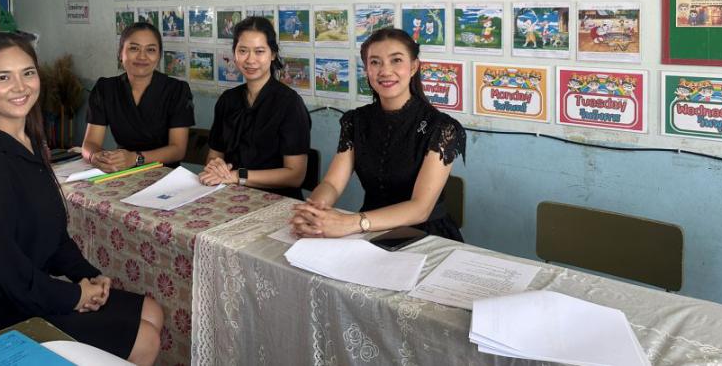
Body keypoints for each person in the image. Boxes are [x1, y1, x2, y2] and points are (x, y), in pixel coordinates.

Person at [0, 33, 162, 364]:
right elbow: (2, 271)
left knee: (152, 311)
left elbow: (51, 236)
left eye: (27, 73)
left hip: (26, 294)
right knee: (144, 339)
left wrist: (86, 275)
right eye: (3, 77)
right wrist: (73, 296)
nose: (20, 87)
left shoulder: (28, 141)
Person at [290, 28, 466, 240]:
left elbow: (420, 208)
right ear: (366, 69)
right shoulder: (356, 121)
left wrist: (351, 223)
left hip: (426, 235)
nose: (385, 71)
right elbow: (332, 184)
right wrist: (314, 211)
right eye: (375, 62)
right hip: (370, 231)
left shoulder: (441, 127)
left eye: (396, 60)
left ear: (413, 67)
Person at [199, 16, 310, 199]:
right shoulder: (227, 100)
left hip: (277, 201)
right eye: (243, 51)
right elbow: (214, 156)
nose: (250, 60)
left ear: (272, 54)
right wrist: (216, 166)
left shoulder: (290, 104)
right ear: (234, 53)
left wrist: (238, 176)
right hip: (229, 196)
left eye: (259, 51)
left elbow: (295, 175)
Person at [83, 23, 194, 172]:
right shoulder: (105, 88)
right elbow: (90, 143)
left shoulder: (177, 90)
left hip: (165, 174)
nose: (142, 56)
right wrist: (95, 156)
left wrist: (136, 159)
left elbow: (178, 150)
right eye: (134, 48)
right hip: (121, 172)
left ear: (159, 56)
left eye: (151, 50)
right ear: (120, 53)